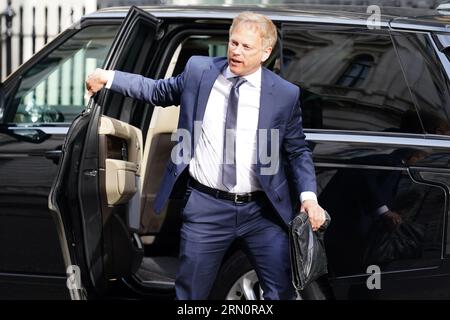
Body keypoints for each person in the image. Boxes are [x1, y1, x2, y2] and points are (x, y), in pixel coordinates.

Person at [86, 11, 326, 300]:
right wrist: (108, 77)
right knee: (190, 295)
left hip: (262, 212)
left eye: (246, 47)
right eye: (233, 42)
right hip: (206, 207)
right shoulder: (200, 71)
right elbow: (157, 91)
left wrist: (308, 198)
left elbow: (297, 150)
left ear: (265, 52)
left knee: (282, 293)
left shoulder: (285, 95)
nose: (236, 51)